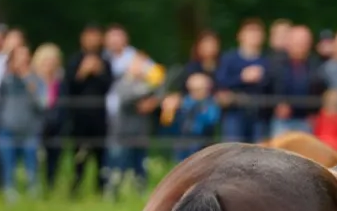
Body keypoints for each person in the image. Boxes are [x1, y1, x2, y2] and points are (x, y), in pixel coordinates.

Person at [62, 24, 113, 195]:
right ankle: (75, 188)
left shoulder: (105, 62)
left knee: (101, 156)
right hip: (80, 117)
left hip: (99, 116)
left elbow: (109, 86)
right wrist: (82, 73)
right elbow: (69, 86)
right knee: (79, 156)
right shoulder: (74, 60)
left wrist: (99, 72)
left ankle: (102, 189)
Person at [0, 45, 48, 200]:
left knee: (31, 166)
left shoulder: (36, 80)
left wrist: (29, 82)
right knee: (8, 167)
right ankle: (10, 195)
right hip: (6, 130)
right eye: (18, 57)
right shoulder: (5, 81)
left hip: (30, 131)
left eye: (25, 56)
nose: (22, 61)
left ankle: (33, 196)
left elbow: (43, 104)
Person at [214, 18, 272, 142]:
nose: (254, 36)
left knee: (259, 152)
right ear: (240, 35)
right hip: (235, 112)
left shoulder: (267, 61)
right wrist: (242, 78)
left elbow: (273, 85)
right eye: (250, 32)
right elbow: (220, 81)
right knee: (234, 152)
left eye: (257, 32)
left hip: (259, 114)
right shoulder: (229, 59)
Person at [110, 54, 161, 190]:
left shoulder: (148, 85)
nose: (141, 68)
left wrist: (153, 102)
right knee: (119, 166)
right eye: (137, 65)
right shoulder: (122, 83)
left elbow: (159, 97)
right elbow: (127, 98)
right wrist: (147, 93)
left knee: (140, 166)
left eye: (143, 65)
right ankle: (113, 193)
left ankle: (140, 192)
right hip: (124, 133)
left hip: (141, 132)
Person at [267, 25, 324, 135]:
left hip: (307, 121)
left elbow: (320, 90)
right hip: (282, 120)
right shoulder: (275, 63)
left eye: (304, 41)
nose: (301, 45)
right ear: (288, 42)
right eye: (297, 41)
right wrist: (277, 104)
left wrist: (314, 113)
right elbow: (268, 87)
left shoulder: (316, 65)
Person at [31, 43, 64, 190]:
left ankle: (50, 187)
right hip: (36, 125)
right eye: (46, 61)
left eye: (52, 61)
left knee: (54, 159)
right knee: (36, 158)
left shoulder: (60, 82)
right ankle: (35, 187)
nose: (49, 65)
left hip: (56, 125)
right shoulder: (32, 81)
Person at [172, 72, 220, 162]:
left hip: (203, 141)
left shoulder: (210, 103)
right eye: (193, 90)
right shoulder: (185, 102)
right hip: (183, 140)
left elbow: (211, 119)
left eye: (199, 89)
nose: (196, 93)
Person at [312, 88, 337, 154]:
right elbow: (316, 136)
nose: (333, 104)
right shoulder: (320, 118)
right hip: (321, 150)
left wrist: (332, 145)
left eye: (336, 102)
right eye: (331, 102)